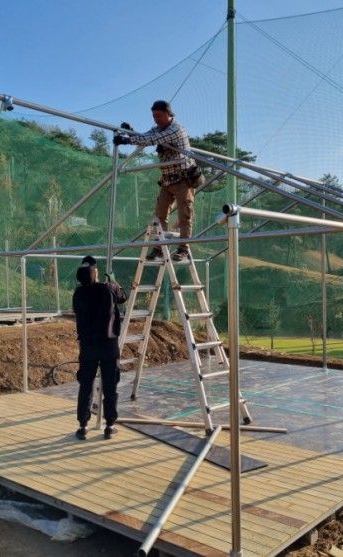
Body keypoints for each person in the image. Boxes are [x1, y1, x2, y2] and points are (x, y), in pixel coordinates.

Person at [113, 100, 204, 262]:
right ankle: (159, 248)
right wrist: (132, 134)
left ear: (169, 114)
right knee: (159, 215)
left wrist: (127, 140)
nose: (156, 119)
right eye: (154, 116)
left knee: (185, 214)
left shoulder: (176, 129)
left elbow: (152, 139)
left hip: (183, 179)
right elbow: (147, 137)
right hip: (167, 180)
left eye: (159, 115)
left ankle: (183, 249)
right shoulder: (158, 129)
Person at [72, 255, 128, 440]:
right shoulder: (108, 289)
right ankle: (110, 425)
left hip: (88, 345)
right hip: (108, 345)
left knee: (86, 385)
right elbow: (122, 297)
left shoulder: (78, 294)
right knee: (110, 385)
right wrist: (113, 280)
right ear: (94, 273)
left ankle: (82, 425)